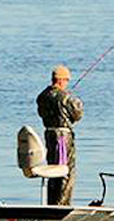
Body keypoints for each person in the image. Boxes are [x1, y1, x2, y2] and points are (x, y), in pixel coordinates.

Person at [35, 64, 83, 205]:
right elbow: (78, 114)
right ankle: (62, 205)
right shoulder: (66, 97)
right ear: (61, 80)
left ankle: (51, 202)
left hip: (49, 135)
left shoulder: (42, 96)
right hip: (63, 137)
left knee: (52, 169)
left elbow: (41, 113)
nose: (67, 83)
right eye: (67, 80)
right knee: (65, 171)